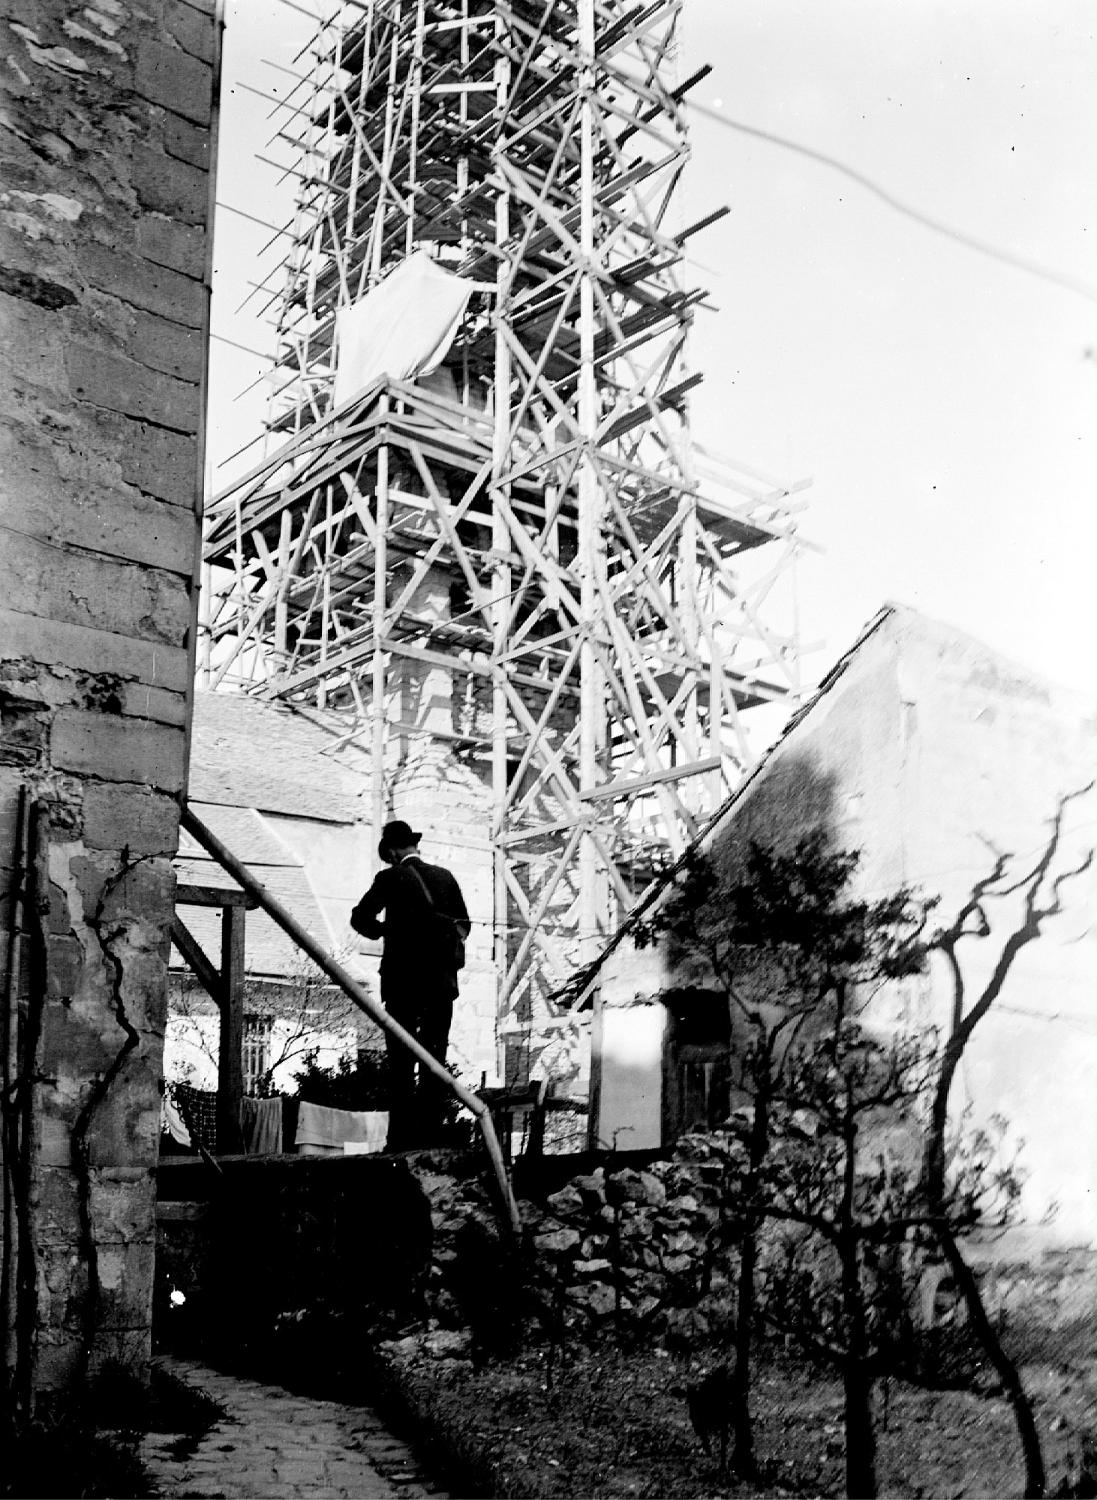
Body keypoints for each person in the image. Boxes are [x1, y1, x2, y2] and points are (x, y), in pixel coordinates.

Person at [350, 820, 471, 1150]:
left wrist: (385, 931)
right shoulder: (446, 878)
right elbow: (465, 925)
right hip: (441, 985)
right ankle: (432, 1137)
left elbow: (360, 918)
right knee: (435, 1059)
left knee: (401, 1063)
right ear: (413, 846)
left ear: (390, 851)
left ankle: (400, 1140)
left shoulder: (389, 878)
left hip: (402, 984)